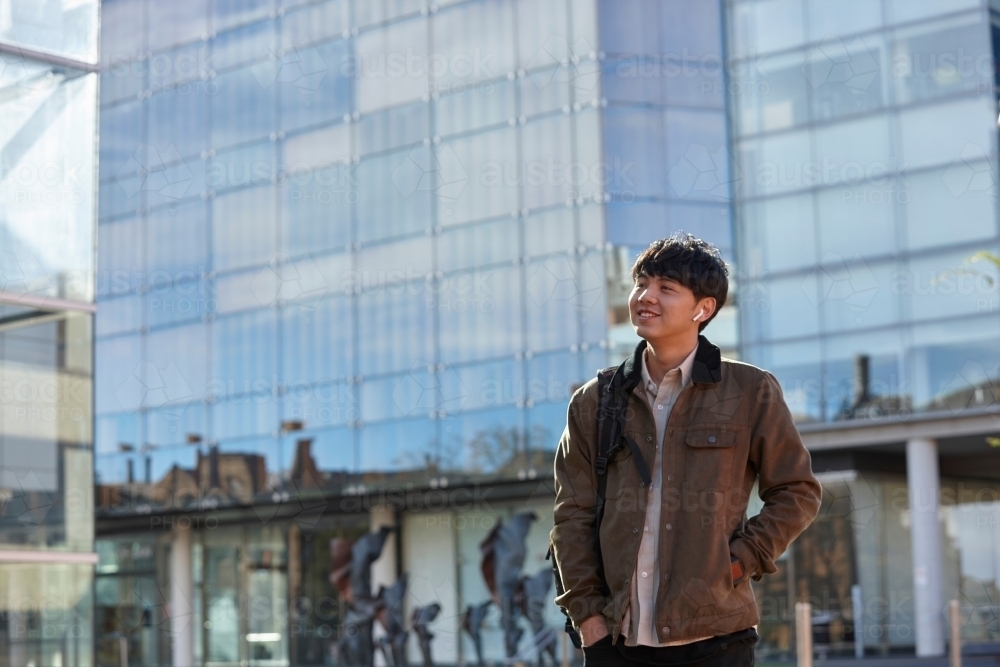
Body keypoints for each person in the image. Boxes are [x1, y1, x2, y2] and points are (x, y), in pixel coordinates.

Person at [550, 234, 822, 666]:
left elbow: (797, 491)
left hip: (718, 640)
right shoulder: (594, 401)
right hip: (615, 642)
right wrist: (589, 621)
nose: (645, 297)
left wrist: (739, 561)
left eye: (666, 288)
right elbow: (571, 517)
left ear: (703, 308)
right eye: (641, 284)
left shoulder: (750, 391)